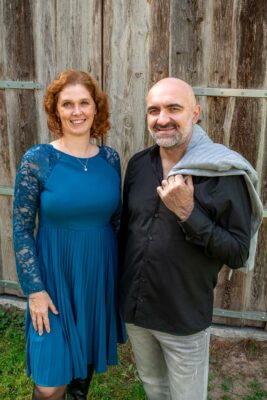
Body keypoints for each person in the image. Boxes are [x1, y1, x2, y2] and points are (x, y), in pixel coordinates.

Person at [119, 77, 262, 400]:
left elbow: (238, 254)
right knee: (154, 388)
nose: (162, 118)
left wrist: (188, 212)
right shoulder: (140, 165)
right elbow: (128, 230)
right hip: (137, 310)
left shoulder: (223, 173)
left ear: (195, 113)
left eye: (174, 108)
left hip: (183, 316)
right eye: (153, 110)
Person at [13, 70, 125, 400]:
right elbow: (21, 228)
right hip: (54, 279)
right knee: (49, 386)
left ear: (96, 108)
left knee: (80, 375)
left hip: (96, 277)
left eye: (84, 103)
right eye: (67, 104)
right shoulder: (38, 160)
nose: (77, 111)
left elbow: (116, 221)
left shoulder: (110, 159)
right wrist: (34, 290)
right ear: (56, 110)